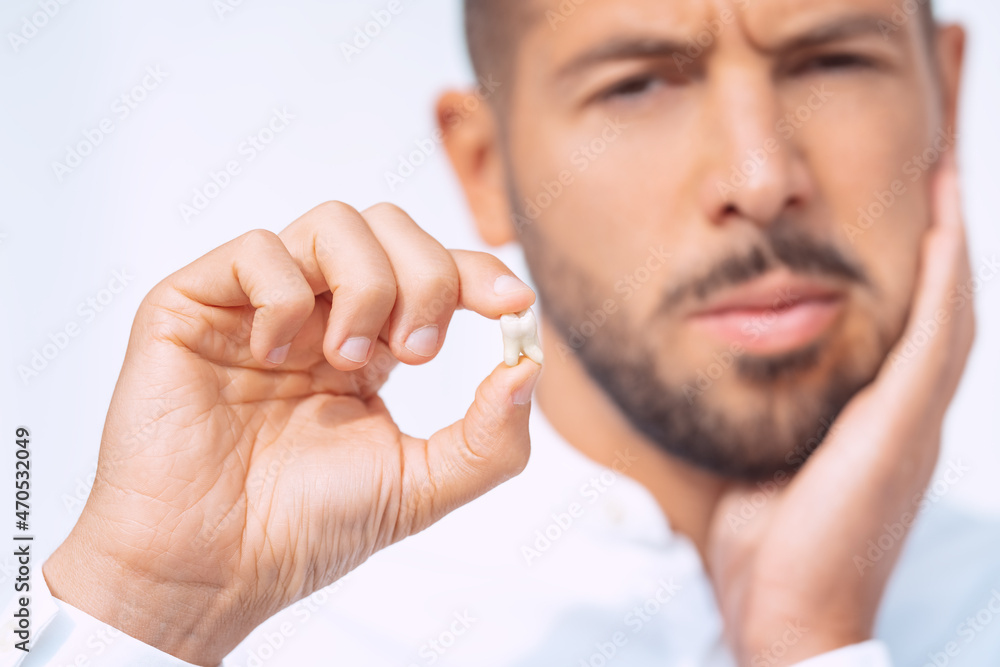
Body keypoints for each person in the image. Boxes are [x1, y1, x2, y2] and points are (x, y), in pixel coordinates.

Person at [6, 0, 999, 665]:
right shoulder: (276, 631)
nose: (759, 178)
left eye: (831, 60)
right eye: (637, 84)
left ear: (946, 96)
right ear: (484, 167)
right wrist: (150, 610)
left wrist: (809, 641)